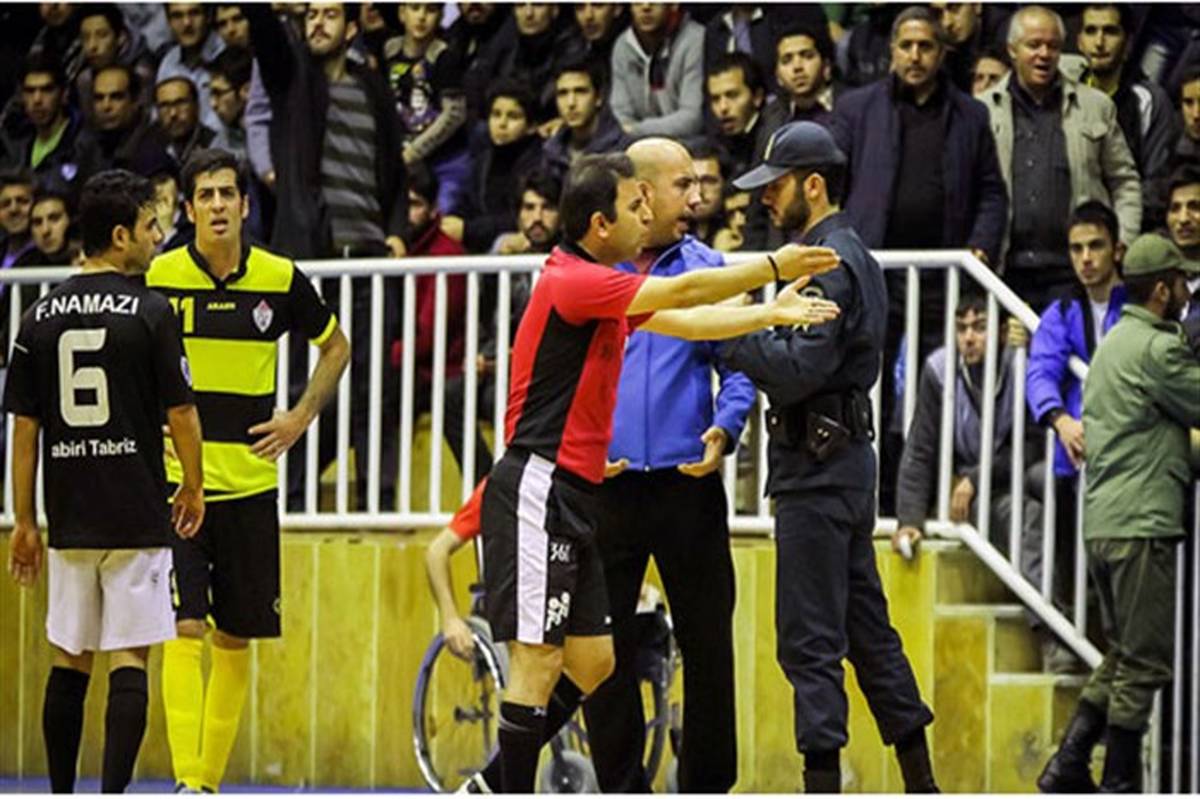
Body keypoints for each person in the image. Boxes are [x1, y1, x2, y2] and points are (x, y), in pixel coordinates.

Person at [482, 151, 842, 791]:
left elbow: (689, 320)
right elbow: (683, 293)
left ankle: (496, 780)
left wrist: (767, 313)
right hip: (540, 486)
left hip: (581, 491)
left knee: (595, 662)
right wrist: (773, 265)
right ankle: (499, 788)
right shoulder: (576, 280)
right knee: (537, 663)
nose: (646, 215)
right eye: (634, 206)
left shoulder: (600, 284)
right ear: (601, 225)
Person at [720, 121, 938, 793]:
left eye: (776, 185)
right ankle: (922, 784)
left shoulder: (826, 262)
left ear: (813, 185)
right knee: (867, 631)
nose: (765, 198)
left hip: (816, 467)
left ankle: (822, 784)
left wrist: (730, 332)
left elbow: (797, 370)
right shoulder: (848, 253)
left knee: (809, 639)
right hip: (837, 461)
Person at [147, 149, 350, 794]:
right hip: (182, 487)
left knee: (234, 637)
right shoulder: (159, 276)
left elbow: (336, 347)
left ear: (243, 204)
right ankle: (188, 781)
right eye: (204, 195)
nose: (216, 205)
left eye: (226, 194)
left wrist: (300, 417)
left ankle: (205, 782)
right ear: (188, 209)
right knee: (183, 626)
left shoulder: (279, 277)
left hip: (253, 487)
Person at [4, 168, 205, 793]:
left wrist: (25, 521)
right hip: (136, 509)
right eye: (149, 227)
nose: (157, 238)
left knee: (70, 659)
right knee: (130, 657)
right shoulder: (151, 311)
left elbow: (24, 430)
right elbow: (182, 413)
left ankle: (61, 793)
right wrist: (193, 485)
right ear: (121, 237)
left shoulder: (38, 317)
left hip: (70, 512)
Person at [579, 138, 756, 793]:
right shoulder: (592, 271)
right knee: (602, 650)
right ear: (644, 193)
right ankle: (623, 786)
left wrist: (726, 426)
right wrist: (584, 449)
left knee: (709, 644)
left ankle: (707, 787)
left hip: (689, 484)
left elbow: (738, 366)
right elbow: (559, 374)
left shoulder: (709, 271)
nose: (699, 198)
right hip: (607, 486)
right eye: (685, 185)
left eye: (701, 184)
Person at [1038, 233, 1200, 793]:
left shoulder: (1112, 346)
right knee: (1146, 662)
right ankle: (1118, 782)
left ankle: (1068, 765)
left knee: (1124, 653)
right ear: (1162, 291)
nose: (1186, 294)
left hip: (1105, 523)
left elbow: (1149, 438)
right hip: (1141, 525)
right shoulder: (1158, 350)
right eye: (1180, 284)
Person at [831, 5, 1008, 515]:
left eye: (925, 46)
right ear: (891, 51)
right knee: (868, 387)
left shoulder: (971, 115)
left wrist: (980, 245)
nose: (915, 56)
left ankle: (924, 500)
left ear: (942, 52)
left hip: (943, 280)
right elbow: (832, 183)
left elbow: (992, 193)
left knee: (936, 391)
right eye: (906, 46)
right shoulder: (857, 109)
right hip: (875, 275)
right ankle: (873, 497)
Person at [980, 5, 1141, 311]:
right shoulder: (983, 111)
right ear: (1012, 49)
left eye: (1053, 46)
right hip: (1005, 271)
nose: (1044, 54)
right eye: (1034, 45)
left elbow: (1125, 182)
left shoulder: (1096, 106)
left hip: (1077, 270)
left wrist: (1123, 241)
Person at [1026, 201, 1127, 668]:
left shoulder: (1138, 305)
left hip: (1127, 461)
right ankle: (1076, 646)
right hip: (1075, 460)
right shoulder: (1063, 310)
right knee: (1073, 565)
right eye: (1076, 249)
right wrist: (1060, 420)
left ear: (1116, 249)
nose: (1085, 258)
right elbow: (1041, 372)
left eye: (1095, 246)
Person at [1071, 4, 1179, 231]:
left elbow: (1157, 183)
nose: (1099, 42)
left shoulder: (1149, 101)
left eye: (1110, 31)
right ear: (1079, 41)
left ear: (1128, 43)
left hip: (1132, 226)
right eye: (1091, 31)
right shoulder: (1064, 96)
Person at [609, 4, 706, 139]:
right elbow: (619, 116)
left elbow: (693, 119)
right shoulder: (623, 45)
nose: (646, 6)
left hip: (687, 143)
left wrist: (638, 129)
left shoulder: (695, 39)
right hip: (635, 144)